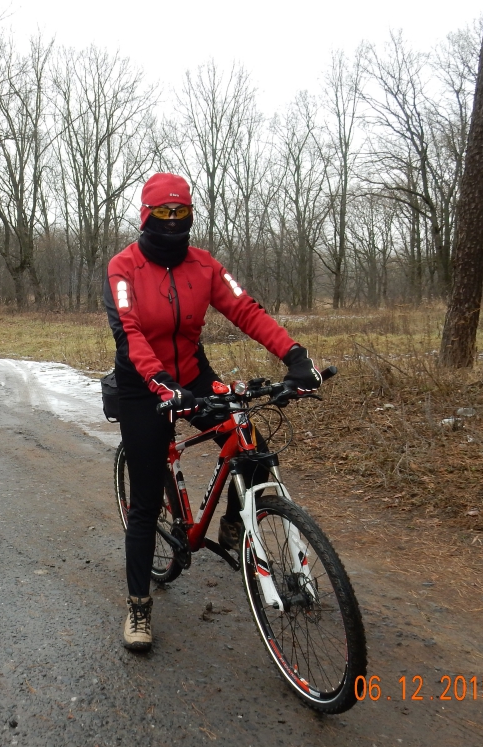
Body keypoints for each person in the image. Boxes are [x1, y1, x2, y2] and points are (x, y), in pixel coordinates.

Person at [103, 172, 322, 651]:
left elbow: (246, 310)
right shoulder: (123, 267)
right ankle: (138, 605)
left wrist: (294, 355)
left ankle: (233, 523)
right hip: (142, 385)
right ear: (145, 215)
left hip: (193, 375)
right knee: (145, 503)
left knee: (254, 449)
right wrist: (159, 383)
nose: (173, 220)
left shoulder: (205, 266)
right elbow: (129, 331)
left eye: (181, 212)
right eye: (163, 212)